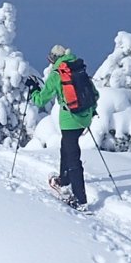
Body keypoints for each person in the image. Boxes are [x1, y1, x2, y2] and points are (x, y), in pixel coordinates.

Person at [30, 45, 96, 209]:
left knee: (73, 156)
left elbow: (40, 100)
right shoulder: (78, 68)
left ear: (53, 58)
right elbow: (95, 94)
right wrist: (90, 113)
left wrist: (33, 91)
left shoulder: (57, 73)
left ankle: (80, 200)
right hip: (85, 117)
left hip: (69, 120)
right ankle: (64, 179)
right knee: (66, 147)